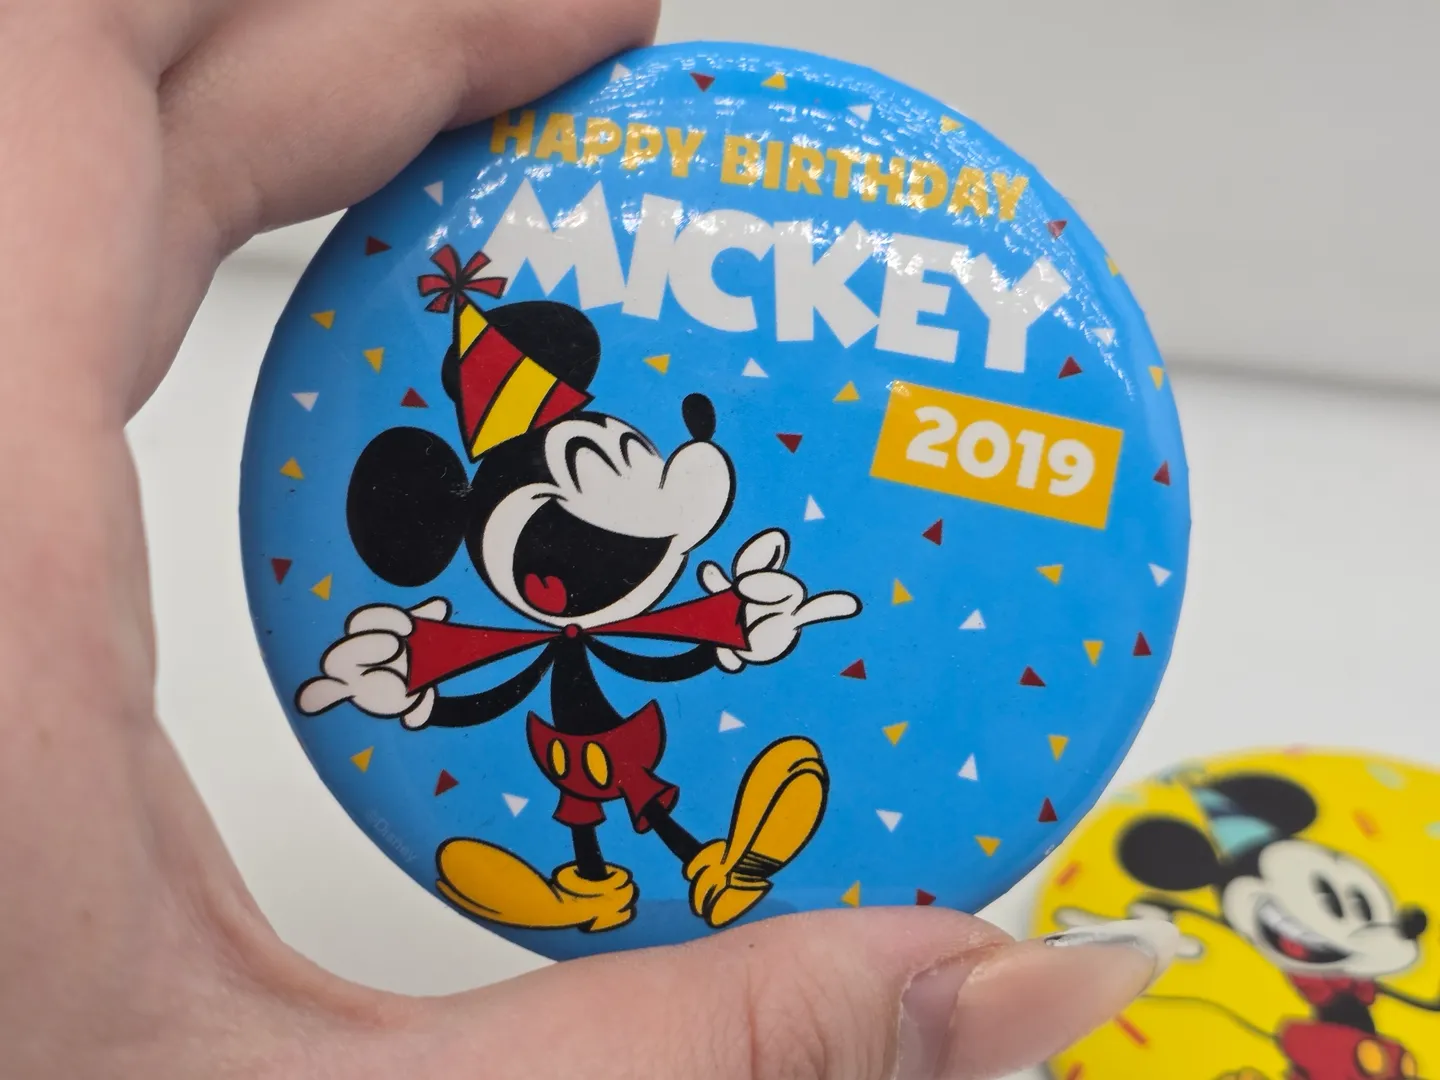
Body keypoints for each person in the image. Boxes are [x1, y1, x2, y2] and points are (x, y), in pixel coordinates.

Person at [0, 1, 1178, 1077]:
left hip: (620, 726)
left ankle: (679, 864)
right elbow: (520, 652)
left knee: (639, 794)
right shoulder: (507, 618)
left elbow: (679, 624)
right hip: (565, 735)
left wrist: (748, 615)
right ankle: (594, 883)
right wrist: (401, 667)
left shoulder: (638, 597)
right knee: (599, 802)